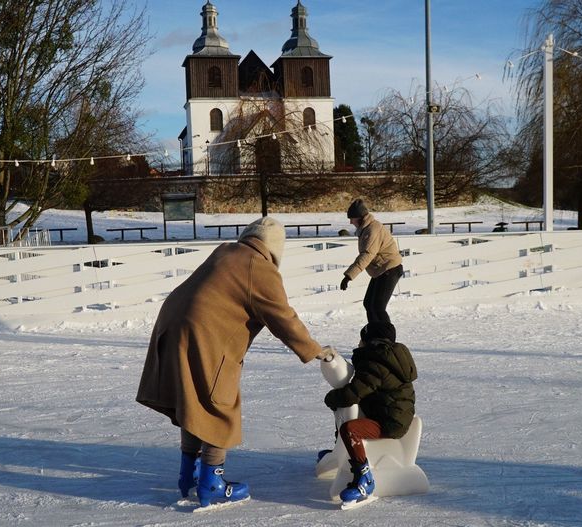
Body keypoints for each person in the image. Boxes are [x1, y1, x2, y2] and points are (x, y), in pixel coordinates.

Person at [136, 217, 335, 508]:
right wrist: (314, 350)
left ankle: (187, 475)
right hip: (204, 333)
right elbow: (283, 318)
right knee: (219, 403)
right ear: (275, 248)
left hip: (171, 324)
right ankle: (211, 484)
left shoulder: (225, 251)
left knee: (194, 401)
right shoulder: (260, 267)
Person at [323, 321, 417, 507]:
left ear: (369, 341)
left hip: (388, 422)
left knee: (350, 429)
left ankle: (363, 478)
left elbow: (353, 393)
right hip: (396, 415)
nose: (358, 343)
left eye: (361, 339)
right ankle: (339, 452)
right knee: (352, 412)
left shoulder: (375, 363)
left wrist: (331, 398)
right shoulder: (390, 359)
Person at [340, 199, 404, 324]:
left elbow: (367, 254)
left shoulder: (372, 229)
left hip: (389, 269)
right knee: (369, 304)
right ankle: (375, 335)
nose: (350, 221)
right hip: (381, 270)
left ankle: (386, 337)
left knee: (378, 307)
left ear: (360, 217)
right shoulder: (366, 228)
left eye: (352, 218)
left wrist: (348, 276)